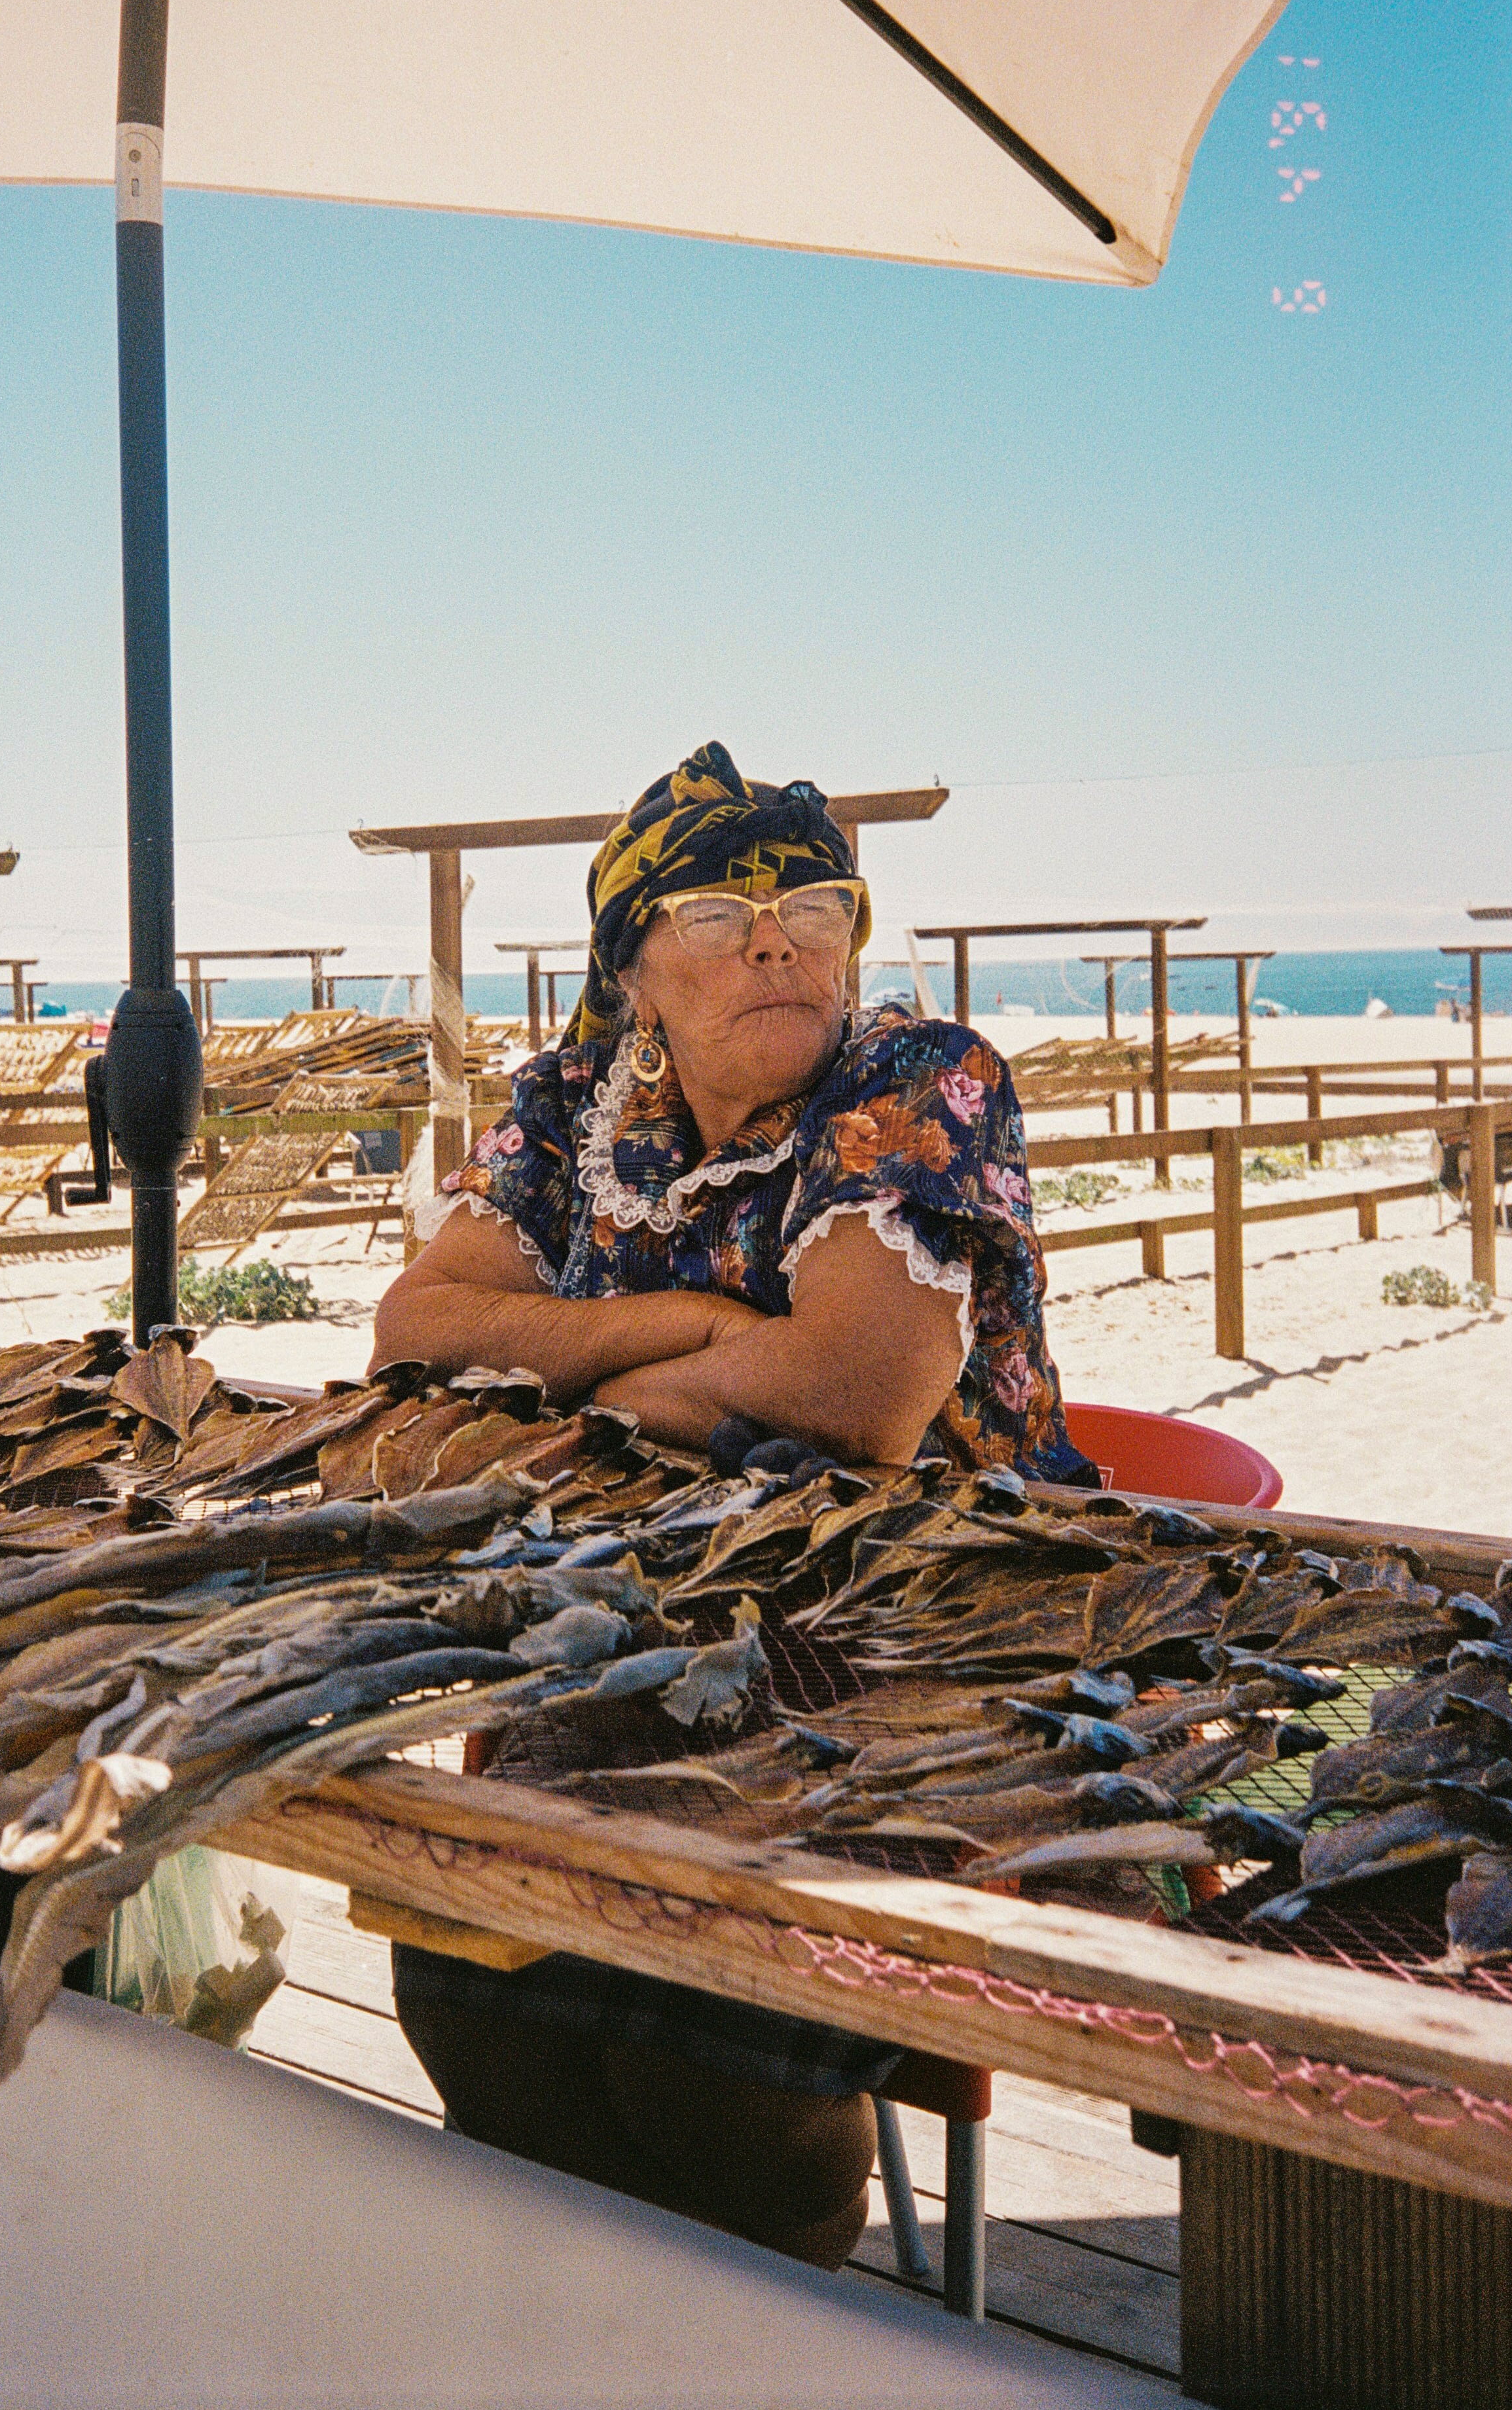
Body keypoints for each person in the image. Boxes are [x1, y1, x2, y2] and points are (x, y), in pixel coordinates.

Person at [369, 741, 1096, 2267]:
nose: (778, 941)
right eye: (715, 913)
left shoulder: (919, 1079)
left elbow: (855, 1396)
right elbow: (413, 1337)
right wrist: (691, 1333)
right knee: (469, 1965)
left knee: (710, 2034)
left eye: (815, 909)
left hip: (929, 1645)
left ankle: (784, 2360)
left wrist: (576, 1368)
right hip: (656, 1634)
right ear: (633, 967)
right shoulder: (574, 1108)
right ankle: (614, 2350)